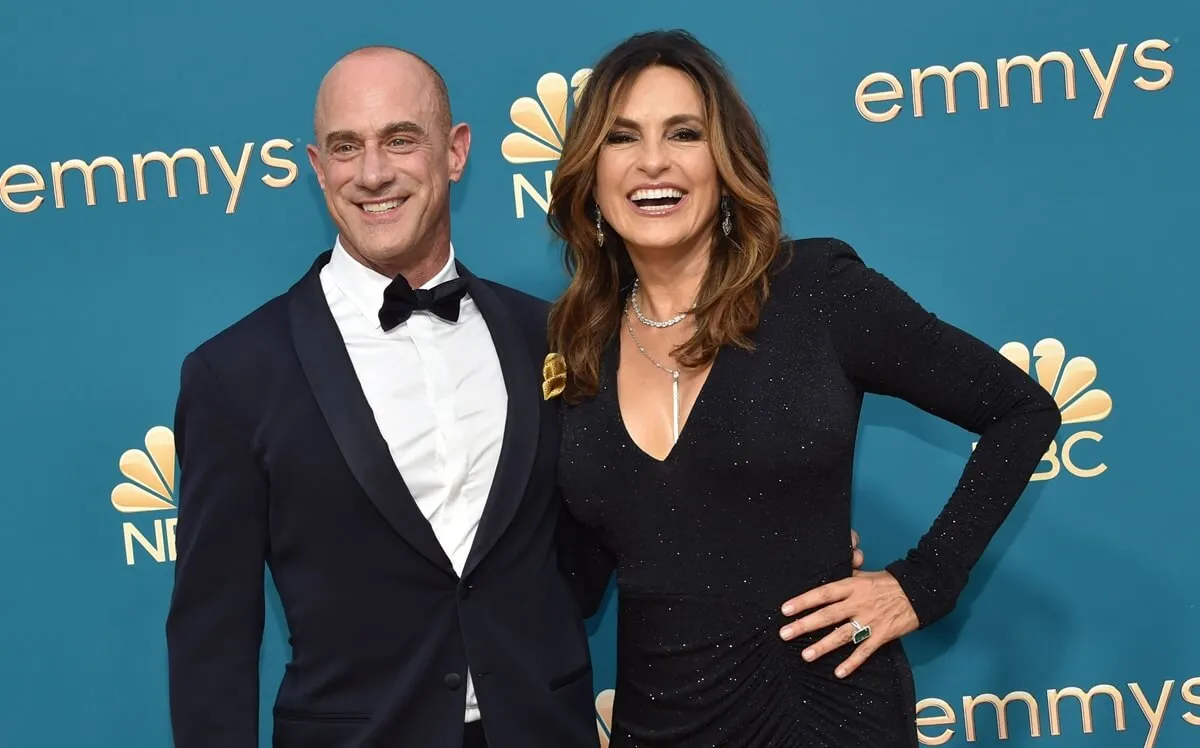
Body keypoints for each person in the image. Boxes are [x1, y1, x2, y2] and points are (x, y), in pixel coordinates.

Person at [545, 29, 1062, 747]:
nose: (653, 161)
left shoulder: (815, 292)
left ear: (725, 165)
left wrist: (924, 583)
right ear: (591, 173)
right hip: (654, 723)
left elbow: (1022, 409)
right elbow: (572, 575)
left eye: (685, 133)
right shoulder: (573, 348)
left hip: (822, 713)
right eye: (622, 137)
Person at [164, 46, 600, 748]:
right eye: (346, 148)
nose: (372, 173)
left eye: (401, 139)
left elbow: (613, 530)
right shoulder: (234, 375)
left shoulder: (547, 335)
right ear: (316, 167)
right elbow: (212, 639)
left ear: (455, 152)